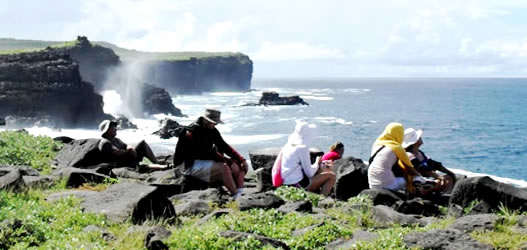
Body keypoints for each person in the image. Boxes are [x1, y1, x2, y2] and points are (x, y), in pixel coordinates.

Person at [172, 109, 248, 198]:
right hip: (186, 165)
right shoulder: (191, 132)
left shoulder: (211, 129)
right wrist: (227, 161)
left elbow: (223, 145)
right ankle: (236, 196)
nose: (215, 124)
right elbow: (204, 154)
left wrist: (241, 159)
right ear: (205, 120)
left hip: (201, 161)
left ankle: (239, 190)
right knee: (224, 168)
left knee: (237, 165)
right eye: (214, 122)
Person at [279, 121, 336, 196]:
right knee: (331, 176)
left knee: (320, 170)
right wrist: (316, 162)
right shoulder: (302, 148)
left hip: (285, 183)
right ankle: (322, 199)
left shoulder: (288, 145)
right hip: (297, 186)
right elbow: (309, 173)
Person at [367, 122, 422, 194]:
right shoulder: (396, 147)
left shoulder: (377, 143)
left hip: (372, 184)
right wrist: (420, 176)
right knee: (417, 178)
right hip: (387, 186)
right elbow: (410, 169)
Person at [403, 128, 456, 193]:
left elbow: (433, 164)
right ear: (415, 142)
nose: (420, 138)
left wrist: (449, 172)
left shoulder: (419, 152)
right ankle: (445, 196)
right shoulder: (409, 155)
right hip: (417, 182)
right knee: (445, 180)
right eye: (419, 137)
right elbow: (423, 169)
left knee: (449, 177)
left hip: (426, 178)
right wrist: (439, 177)